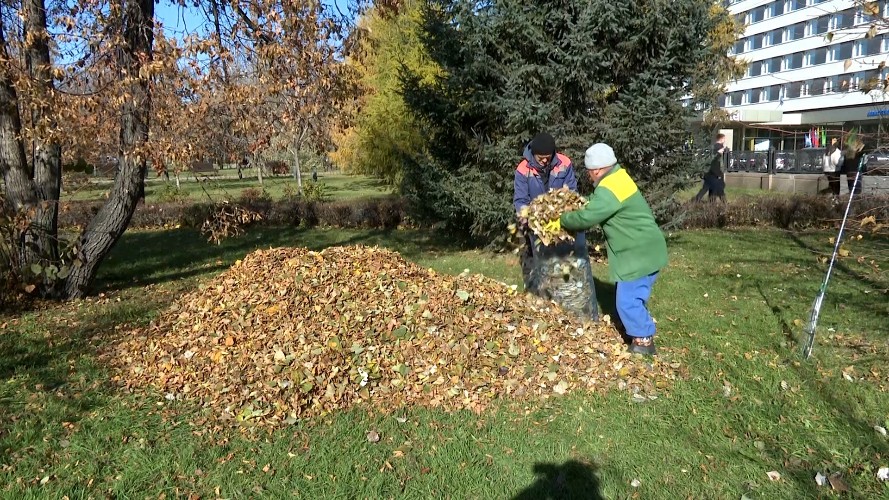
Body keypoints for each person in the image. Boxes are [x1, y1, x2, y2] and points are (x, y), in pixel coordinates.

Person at [545, 143, 668, 355]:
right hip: (645, 248)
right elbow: (595, 203)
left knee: (627, 301)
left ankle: (644, 342)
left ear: (597, 170)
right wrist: (580, 202)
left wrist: (562, 219)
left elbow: (586, 218)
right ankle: (640, 328)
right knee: (634, 295)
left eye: (589, 172)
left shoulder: (609, 189)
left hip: (638, 253)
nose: (589, 176)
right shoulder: (618, 178)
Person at [513, 132, 598, 320]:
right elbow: (520, 200)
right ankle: (542, 302)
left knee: (566, 261)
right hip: (537, 224)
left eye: (547, 158)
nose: (544, 161)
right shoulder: (523, 169)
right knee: (540, 263)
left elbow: (571, 192)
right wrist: (529, 217)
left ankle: (572, 303)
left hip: (561, 221)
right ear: (533, 154)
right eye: (540, 158)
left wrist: (564, 215)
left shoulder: (564, 164)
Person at [694, 133, 728, 203]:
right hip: (714, 174)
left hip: (709, 173)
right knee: (719, 189)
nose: (723, 151)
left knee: (707, 188)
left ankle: (698, 201)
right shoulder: (717, 153)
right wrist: (718, 175)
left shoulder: (712, 148)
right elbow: (715, 165)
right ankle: (723, 204)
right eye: (722, 150)